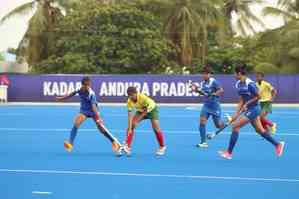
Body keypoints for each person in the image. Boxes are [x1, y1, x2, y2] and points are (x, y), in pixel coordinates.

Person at [218, 66, 285, 160]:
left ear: (239, 74)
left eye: (234, 73)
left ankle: (229, 153)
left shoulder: (250, 84)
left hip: (254, 109)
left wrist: (247, 104)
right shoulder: (238, 84)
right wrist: (236, 114)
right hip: (249, 109)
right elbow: (241, 99)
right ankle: (278, 144)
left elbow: (259, 96)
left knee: (235, 126)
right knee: (260, 130)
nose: (234, 75)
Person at [56, 76, 122, 156]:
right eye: (87, 85)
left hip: (94, 111)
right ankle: (70, 144)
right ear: (83, 85)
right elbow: (71, 94)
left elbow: (94, 106)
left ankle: (114, 142)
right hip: (84, 111)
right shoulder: (80, 89)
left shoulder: (91, 93)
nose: (88, 87)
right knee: (76, 123)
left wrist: (99, 118)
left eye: (89, 85)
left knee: (101, 130)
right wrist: (61, 98)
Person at [122, 86, 166, 156]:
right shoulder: (129, 101)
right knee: (131, 126)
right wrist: (130, 127)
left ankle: (162, 147)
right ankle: (128, 146)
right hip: (140, 111)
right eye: (129, 95)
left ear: (136, 93)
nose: (131, 97)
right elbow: (130, 115)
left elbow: (146, 110)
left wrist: (137, 120)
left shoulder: (142, 97)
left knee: (156, 129)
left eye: (132, 95)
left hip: (151, 110)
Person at [190, 66, 228, 148]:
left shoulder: (214, 81)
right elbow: (203, 93)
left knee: (218, 125)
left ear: (209, 74)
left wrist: (215, 94)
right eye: (202, 74)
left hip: (215, 107)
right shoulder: (203, 83)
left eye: (205, 74)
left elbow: (221, 90)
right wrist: (196, 90)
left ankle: (226, 123)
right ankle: (203, 142)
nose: (203, 76)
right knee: (202, 122)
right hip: (206, 106)